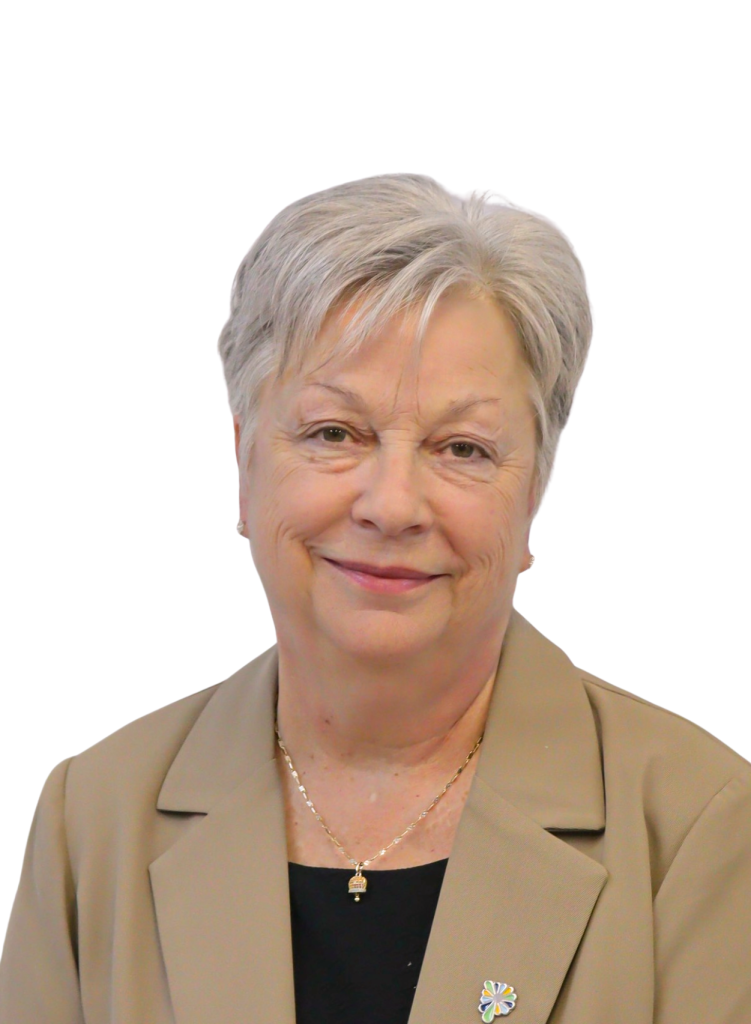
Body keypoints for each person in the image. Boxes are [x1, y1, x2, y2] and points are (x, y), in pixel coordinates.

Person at [1, 173, 749, 1024]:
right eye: (334, 433)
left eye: (462, 448)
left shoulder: (697, 829)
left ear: (533, 491)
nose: (392, 506)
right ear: (245, 463)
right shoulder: (95, 820)